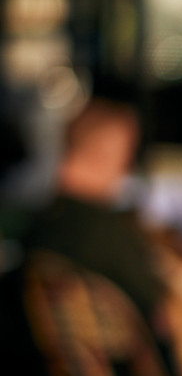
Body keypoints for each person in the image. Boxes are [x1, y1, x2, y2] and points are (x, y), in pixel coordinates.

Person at [26, 99, 165, 327]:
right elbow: (158, 313)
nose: (126, 171)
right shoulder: (111, 236)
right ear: (105, 154)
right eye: (127, 155)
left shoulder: (34, 227)